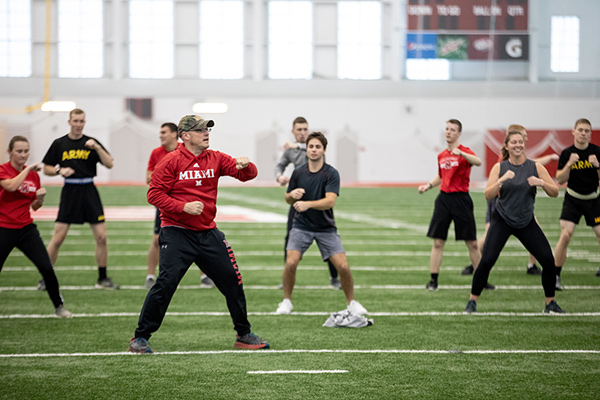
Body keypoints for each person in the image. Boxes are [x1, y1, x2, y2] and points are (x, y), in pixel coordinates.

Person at [129, 115, 269, 353]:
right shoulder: (171, 161)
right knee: (166, 283)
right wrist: (181, 206)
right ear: (185, 136)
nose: (206, 133)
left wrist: (248, 165)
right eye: (200, 130)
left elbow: (248, 175)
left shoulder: (215, 158)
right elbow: (153, 195)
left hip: (207, 233)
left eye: (207, 129)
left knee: (232, 281)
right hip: (176, 232)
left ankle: (243, 334)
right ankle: (140, 337)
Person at [464, 130, 563, 313]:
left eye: (521, 142)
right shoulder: (500, 168)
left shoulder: (535, 167)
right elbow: (488, 195)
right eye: (514, 142)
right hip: (502, 220)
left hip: (526, 221)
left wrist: (541, 183)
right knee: (487, 260)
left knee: (548, 260)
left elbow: (555, 192)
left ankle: (550, 304)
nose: (518, 145)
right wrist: (501, 180)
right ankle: (472, 301)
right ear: (507, 146)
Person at [275, 131, 367, 316]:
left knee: (343, 266)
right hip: (301, 226)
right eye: (311, 146)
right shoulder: (298, 173)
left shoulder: (331, 173)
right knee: (291, 263)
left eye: (318, 147)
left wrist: (307, 204)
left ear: (324, 150)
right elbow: (287, 198)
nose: (314, 150)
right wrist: (291, 196)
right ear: (307, 149)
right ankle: (286, 301)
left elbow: (330, 201)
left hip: (326, 228)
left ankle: (352, 303)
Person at [40, 108, 117, 290]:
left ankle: (102, 279)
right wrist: (60, 170)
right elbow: (46, 168)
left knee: (102, 237)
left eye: (81, 121)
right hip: (70, 191)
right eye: (75, 121)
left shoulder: (90, 142)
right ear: (69, 122)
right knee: (58, 238)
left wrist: (97, 147)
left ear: (84, 122)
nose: (78, 124)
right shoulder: (59, 143)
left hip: (89, 190)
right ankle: (46, 278)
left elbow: (109, 163)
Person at [0, 136, 72, 318]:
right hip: (4, 227)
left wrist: (39, 200)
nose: (23, 155)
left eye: (26, 151)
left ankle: (59, 307)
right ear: (9, 152)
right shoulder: (4, 170)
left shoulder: (33, 176)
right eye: (19, 151)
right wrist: (29, 169)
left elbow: (34, 206)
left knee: (46, 267)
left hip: (26, 229)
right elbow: (10, 186)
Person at [418, 119, 488, 290]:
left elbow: (478, 162)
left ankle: (481, 281)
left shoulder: (464, 152)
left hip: (461, 199)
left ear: (459, 133)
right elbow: (441, 175)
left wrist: (462, 154)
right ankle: (433, 280)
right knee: (437, 242)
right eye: (447, 129)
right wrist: (428, 185)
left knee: (471, 243)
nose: (448, 132)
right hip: (443, 199)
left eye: (452, 130)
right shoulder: (441, 155)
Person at [144, 122, 214, 290]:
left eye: (164, 132)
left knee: (199, 237)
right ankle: (150, 276)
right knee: (157, 239)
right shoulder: (157, 153)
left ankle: (204, 275)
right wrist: (171, 174)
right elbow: (149, 179)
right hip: (167, 204)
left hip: (190, 204)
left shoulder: (189, 151)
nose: (160, 135)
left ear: (176, 134)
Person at [275, 117, 341, 289]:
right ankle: (287, 279)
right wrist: (280, 176)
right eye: (299, 130)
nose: (303, 133)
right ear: (293, 131)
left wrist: (297, 146)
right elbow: (279, 165)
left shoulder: (312, 146)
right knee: (290, 238)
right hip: (299, 201)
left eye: (305, 129)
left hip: (318, 198)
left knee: (329, 242)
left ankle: (335, 278)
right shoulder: (291, 151)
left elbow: (314, 147)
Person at [554, 118, 600, 288]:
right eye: (580, 130)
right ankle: (556, 275)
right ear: (574, 132)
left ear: (590, 134)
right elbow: (560, 179)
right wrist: (569, 165)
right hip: (573, 199)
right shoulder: (567, 153)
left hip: (593, 200)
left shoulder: (597, 152)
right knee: (565, 236)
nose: (583, 133)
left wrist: (597, 166)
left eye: (587, 130)